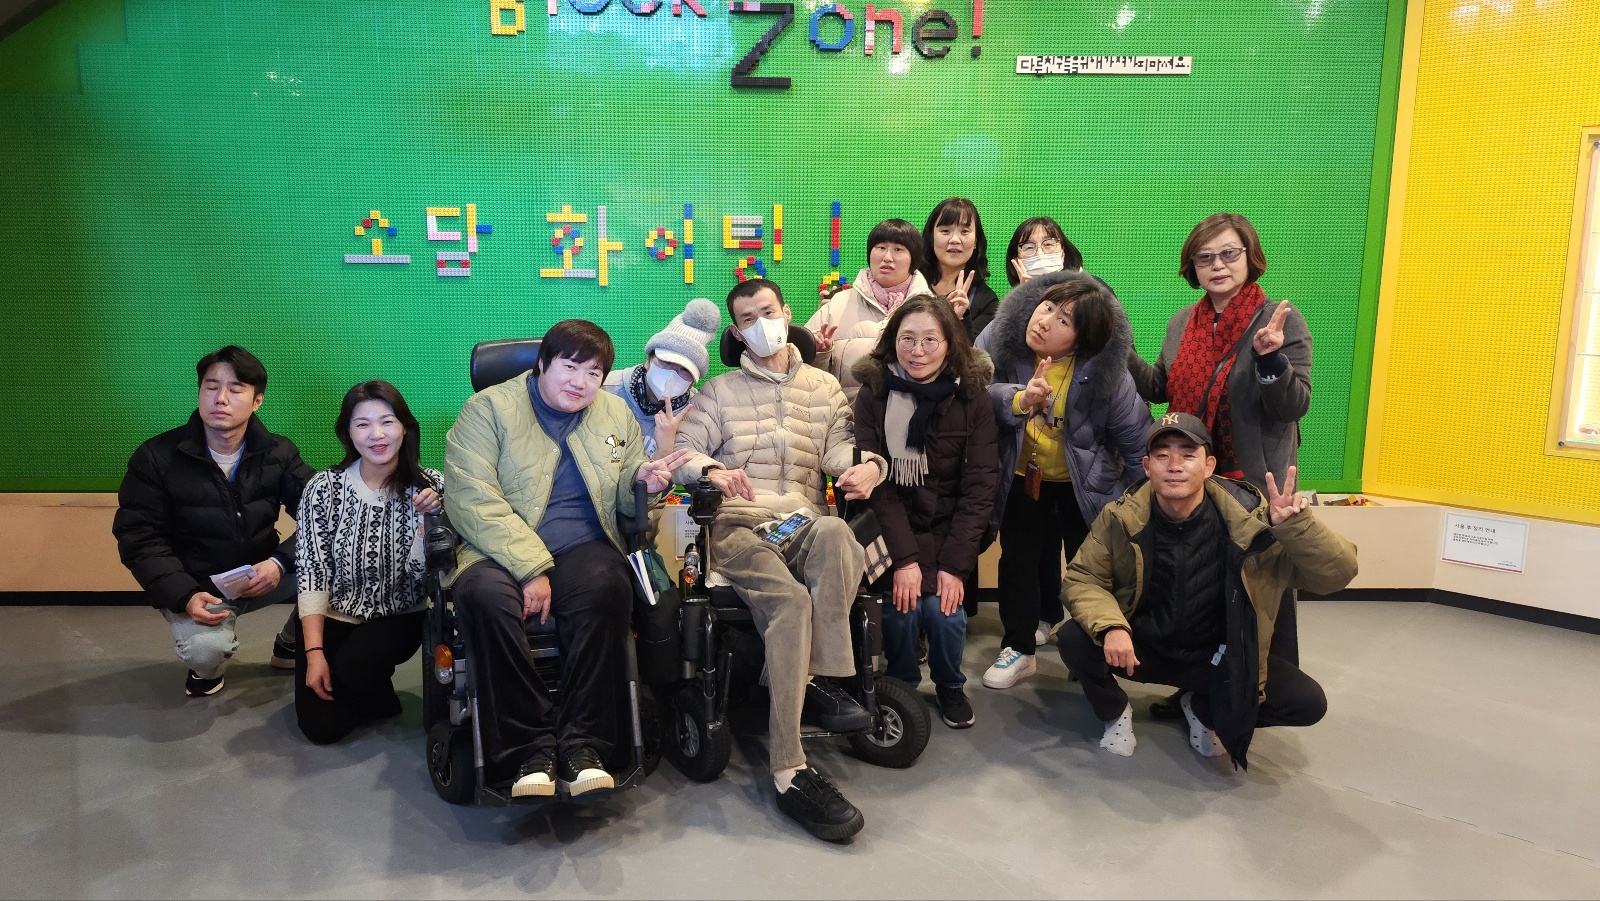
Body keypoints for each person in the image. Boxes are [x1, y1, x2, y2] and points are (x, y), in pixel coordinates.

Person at [673, 277, 888, 842]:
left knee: (838, 532)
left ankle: (816, 679)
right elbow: (681, 452)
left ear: (787, 313)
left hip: (802, 522)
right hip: (739, 525)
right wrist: (710, 469)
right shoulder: (718, 393)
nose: (760, 324)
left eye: (767, 312)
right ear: (736, 331)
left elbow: (841, 450)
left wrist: (869, 466)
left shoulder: (825, 387)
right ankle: (789, 768)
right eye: (747, 319)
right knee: (790, 603)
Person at [443, 319, 687, 799]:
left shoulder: (614, 413)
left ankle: (584, 748)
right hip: (496, 549)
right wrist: (532, 568)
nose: (581, 382)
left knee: (607, 588)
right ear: (542, 363)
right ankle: (527, 752)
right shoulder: (486, 409)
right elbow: (472, 498)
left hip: (583, 545)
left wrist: (644, 484)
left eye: (594, 373)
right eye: (570, 367)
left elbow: (624, 498)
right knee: (484, 598)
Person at [1058, 413, 1356, 767]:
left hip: (1216, 658)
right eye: (1162, 455)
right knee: (1074, 637)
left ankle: (1202, 708)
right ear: (1147, 466)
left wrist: (1297, 527)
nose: (1174, 465)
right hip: (1141, 649)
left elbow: (1336, 575)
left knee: (1306, 702)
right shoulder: (1119, 517)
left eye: (1188, 454)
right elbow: (1083, 578)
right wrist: (1111, 626)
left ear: (1209, 466)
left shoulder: (1250, 523)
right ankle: (1115, 711)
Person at [1125, 211, 1312, 719]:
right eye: (1204, 257)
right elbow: (1160, 387)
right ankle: (1197, 689)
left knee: (1256, 592)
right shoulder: (1181, 322)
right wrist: (1120, 347)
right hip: (1193, 482)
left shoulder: (1280, 320)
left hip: (1251, 485)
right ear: (1192, 267)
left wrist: (1271, 360)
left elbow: (1293, 407)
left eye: (1229, 253)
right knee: (1198, 592)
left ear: (1250, 257)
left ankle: (1257, 694)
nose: (1218, 265)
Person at [974, 272, 1149, 690]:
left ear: (1083, 340)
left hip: (1086, 484)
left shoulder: (1108, 371)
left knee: (1090, 567)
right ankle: (1019, 648)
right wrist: (1018, 398)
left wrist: (1143, 512)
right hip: (1021, 476)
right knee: (1017, 562)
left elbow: (1136, 442)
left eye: (1064, 320)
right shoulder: (1002, 340)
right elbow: (971, 391)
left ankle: (1088, 648)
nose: (1044, 321)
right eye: (1048, 306)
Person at [112, 346, 313, 699]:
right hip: (199, 588)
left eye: (235, 389)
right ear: (200, 392)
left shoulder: (278, 453)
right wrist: (185, 595)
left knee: (345, 567)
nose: (221, 398)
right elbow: (139, 538)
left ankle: (291, 644)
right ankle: (207, 666)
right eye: (211, 387)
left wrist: (280, 562)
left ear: (257, 401)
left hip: (262, 574)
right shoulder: (155, 457)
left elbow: (321, 513)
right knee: (206, 651)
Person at [851, 294, 997, 729]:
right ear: (892, 341)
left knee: (944, 613)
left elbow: (979, 488)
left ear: (950, 343)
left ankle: (950, 685)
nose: (917, 351)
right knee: (903, 610)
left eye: (930, 340)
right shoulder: (873, 395)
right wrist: (906, 560)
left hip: (951, 530)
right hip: (892, 531)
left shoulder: (973, 397)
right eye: (907, 339)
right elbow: (879, 489)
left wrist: (954, 566)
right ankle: (901, 687)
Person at [293, 380, 443, 744]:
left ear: (405, 428)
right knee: (321, 729)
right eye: (362, 424)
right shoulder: (323, 488)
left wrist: (427, 524)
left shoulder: (432, 487)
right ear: (348, 432)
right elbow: (312, 571)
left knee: (356, 667)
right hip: (334, 614)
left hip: (399, 617)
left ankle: (362, 677)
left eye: (387, 422)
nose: (376, 435)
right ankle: (373, 692)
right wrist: (314, 653)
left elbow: (426, 577)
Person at [806, 218, 933, 401]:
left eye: (898, 249)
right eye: (881, 247)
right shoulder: (837, 305)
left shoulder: (931, 309)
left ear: (914, 259)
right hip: (847, 414)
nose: (887, 257)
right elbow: (801, 370)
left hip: (913, 414)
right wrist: (819, 352)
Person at [603, 296, 722, 458]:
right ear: (649, 360)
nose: (672, 375)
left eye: (685, 370)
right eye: (666, 362)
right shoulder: (607, 389)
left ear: (692, 382)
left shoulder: (695, 411)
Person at [920, 198, 1000, 341]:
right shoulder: (909, 282)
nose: (955, 240)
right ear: (931, 237)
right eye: (945, 231)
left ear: (976, 242)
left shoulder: (987, 301)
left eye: (964, 231)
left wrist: (961, 319)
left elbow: (975, 351)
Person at [1001, 216, 1084, 288]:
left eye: (1048, 244)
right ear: (1016, 259)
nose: (1040, 254)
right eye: (1029, 247)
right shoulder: (1015, 299)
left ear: (1063, 251)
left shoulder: (1087, 292)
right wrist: (1024, 293)